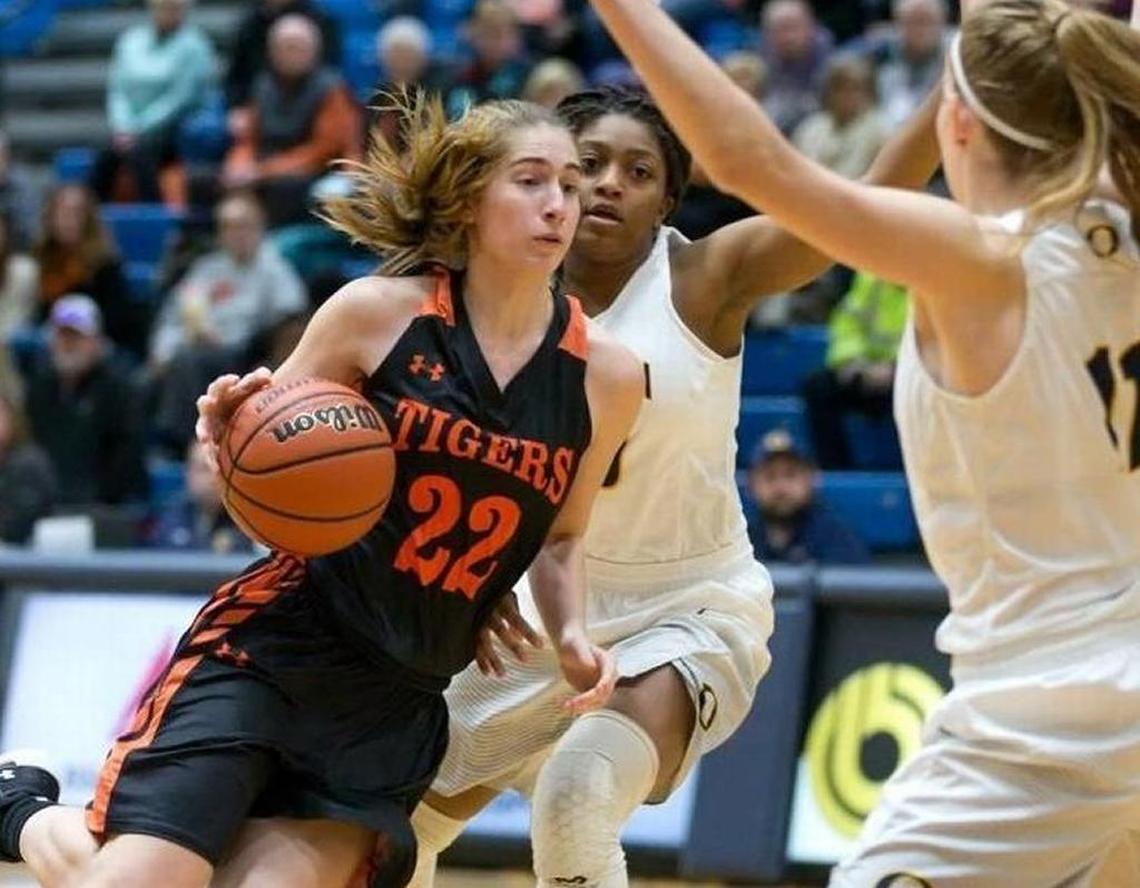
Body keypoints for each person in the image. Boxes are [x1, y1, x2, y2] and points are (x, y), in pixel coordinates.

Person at [0, 95, 643, 888]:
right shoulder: (376, 314)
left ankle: (19, 804)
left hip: (395, 698)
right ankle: (24, 813)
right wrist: (224, 425)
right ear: (469, 199)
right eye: (532, 180)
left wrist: (572, 632)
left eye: (571, 186)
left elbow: (562, 535)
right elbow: (258, 452)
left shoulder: (608, 377)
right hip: (277, 644)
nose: (559, 204)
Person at [582, 0, 1140, 883]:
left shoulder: (981, 262)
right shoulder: (1119, 229)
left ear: (953, 123)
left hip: (1045, 724)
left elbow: (746, 164)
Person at [408, 62, 945, 888]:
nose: (609, 184)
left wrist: (954, 81)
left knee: (577, 795)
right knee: (397, 826)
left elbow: (866, 200)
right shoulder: (494, 292)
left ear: (667, 202)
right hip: (538, 607)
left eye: (639, 170)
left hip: (685, 604)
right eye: (589, 163)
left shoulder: (702, 279)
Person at [91, 0, 218, 204]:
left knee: (140, 154)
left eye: (174, 8)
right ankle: (93, 220)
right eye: (163, 7)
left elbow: (180, 98)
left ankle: (154, 217)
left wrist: (139, 129)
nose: (168, 12)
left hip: (172, 128)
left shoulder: (195, 45)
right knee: (105, 155)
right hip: (126, 128)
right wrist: (123, 126)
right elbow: (118, 90)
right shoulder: (130, 40)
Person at [745, 429, 869, 565]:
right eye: (770, 477)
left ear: (812, 479)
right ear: (751, 485)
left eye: (790, 475)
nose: (781, 487)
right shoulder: (738, 535)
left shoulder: (837, 537)